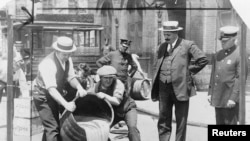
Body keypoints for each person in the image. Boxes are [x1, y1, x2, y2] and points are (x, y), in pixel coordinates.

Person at [151, 21, 208, 141]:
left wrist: (188, 72)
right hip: (163, 88)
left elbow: (202, 59)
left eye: (169, 34)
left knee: (181, 120)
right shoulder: (162, 47)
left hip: (181, 87)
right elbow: (156, 65)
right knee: (163, 119)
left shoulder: (187, 45)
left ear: (176, 33)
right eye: (164, 34)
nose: (166, 37)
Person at [32, 36, 87, 141]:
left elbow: (71, 78)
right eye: (64, 54)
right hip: (42, 94)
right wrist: (66, 104)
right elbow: (51, 89)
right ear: (57, 51)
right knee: (52, 128)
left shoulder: (68, 59)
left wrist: (79, 87)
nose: (67, 57)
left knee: (52, 125)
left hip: (55, 93)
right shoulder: (48, 63)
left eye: (69, 54)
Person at [208, 26, 247, 125]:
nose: (222, 42)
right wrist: (210, 92)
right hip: (218, 97)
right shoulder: (219, 54)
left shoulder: (240, 54)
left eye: (225, 40)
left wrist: (233, 98)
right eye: (221, 40)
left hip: (230, 98)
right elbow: (213, 74)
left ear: (233, 39)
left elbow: (240, 79)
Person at [94, 65, 141, 141]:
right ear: (100, 78)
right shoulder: (97, 86)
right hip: (114, 112)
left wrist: (104, 95)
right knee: (102, 129)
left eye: (110, 78)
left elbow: (117, 101)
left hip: (128, 109)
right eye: (106, 78)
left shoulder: (118, 84)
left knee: (132, 129)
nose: (108, 80)